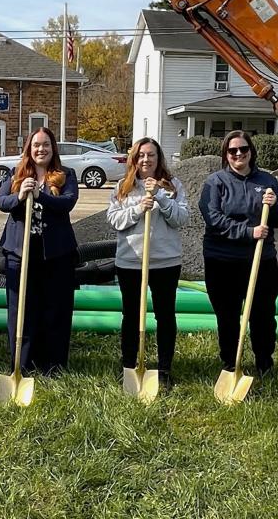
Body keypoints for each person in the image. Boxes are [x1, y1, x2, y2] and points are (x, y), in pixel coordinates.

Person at [199, 130, 278, 377]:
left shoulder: (267, 181)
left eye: (243, 149)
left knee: (262, 315)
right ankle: (230, 364)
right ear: (226, 154)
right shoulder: (215, 182)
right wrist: (248, 232)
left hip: (261, 260)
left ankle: (264, 363)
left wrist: (272, 207)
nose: (238, 154)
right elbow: (213, 219)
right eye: (232, 150)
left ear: (251, 151)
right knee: (227, 316)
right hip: (222, 261)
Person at [107, 137, 189, 388]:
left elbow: (181, 219)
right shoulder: (123, 186)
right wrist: (138, 208)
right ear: (134, 159)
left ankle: (164, 369)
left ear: (158, 158)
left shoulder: (173, 185)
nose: (146, 160)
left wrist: (162, 199)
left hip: (165, 261)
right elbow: (114, 220)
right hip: (131, 261)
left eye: (151, 155)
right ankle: (129, 366)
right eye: (141, 155)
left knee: (165, 315)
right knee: (131, 315)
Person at [0, 128, 78, 375]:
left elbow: (68, 203)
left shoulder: (66, 175)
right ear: (29, 149)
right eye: (36, 145)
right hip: (20, 253)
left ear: (53, 149)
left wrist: (41, 196)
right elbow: (2, 202)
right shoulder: (16, 174)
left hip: (55, 255)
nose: (40, 149)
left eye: (45, 145)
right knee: (21, 310)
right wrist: (21, 195)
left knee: (56, 309)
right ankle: (22, 365)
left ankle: (53, 366)